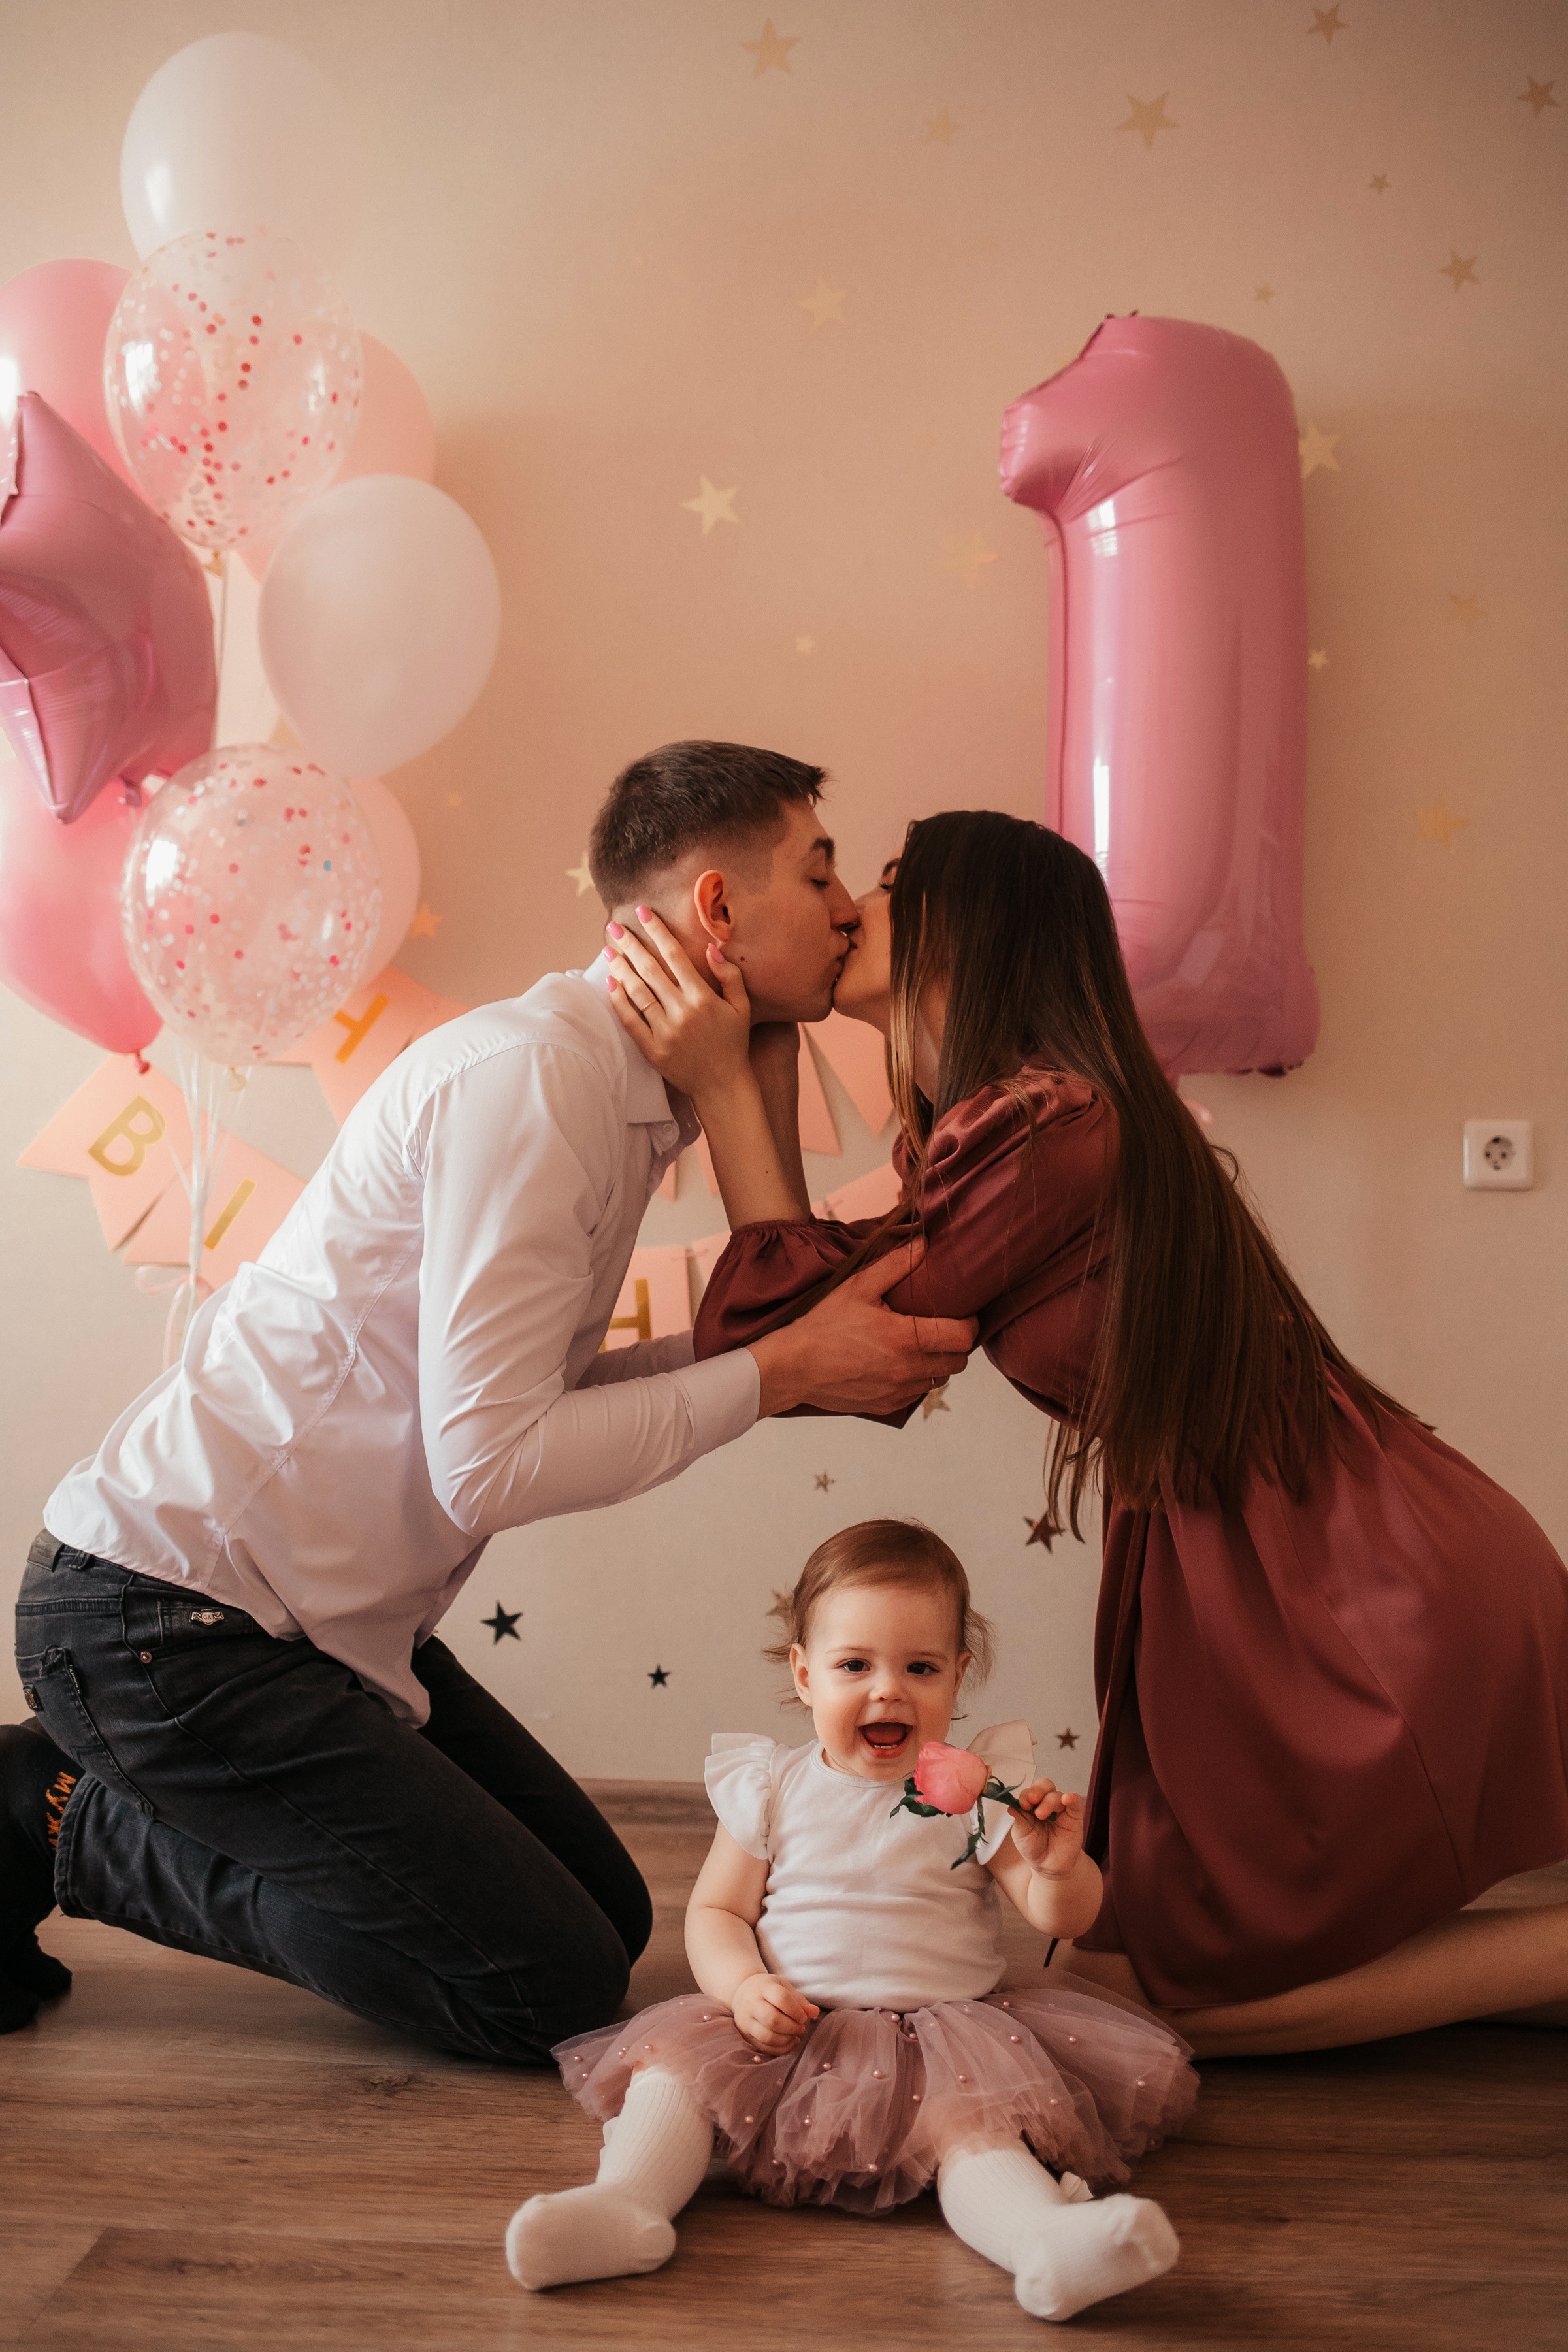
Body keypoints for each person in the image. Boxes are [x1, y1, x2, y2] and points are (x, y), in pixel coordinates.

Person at [1, 742, 977, 2048]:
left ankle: (103, 1792)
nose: (851, 905)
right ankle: (57, 1819)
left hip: (316, 1627)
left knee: (609, 1916)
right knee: (542, 1987)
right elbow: (491, 1466)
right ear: (718, 913)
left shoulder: (620, 1094)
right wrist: (770, 1373)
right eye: (821, 870)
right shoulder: (542, 1080)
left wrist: (766, 1353)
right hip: (165, 1623)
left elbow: (541, 1402)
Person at [602, 808, 1568, 2056]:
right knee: (1092, 1959)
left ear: (972, 923)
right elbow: (821, 1332)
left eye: (889, 886)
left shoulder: (1050, 1129)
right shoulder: (1001, 1128)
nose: (849, 910)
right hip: (1273, 1539)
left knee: (1151, 2002)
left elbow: (825, 1339)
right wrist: (763, 1058)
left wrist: (730, 1077)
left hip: (1332, 1564)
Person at [507, 1519, 1195, 2323]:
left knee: (975, 2134)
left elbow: (1061, 1917)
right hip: (789, 2022)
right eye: (854, 1665)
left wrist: (1058, 1867)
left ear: (958, 1676)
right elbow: (718, 1910)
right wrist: (744, 1985)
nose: (888, 1689)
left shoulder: (975, 1791)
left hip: (946, 2033)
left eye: (921, 1667)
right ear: (805, 1675)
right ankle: (624, 2204)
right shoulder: (772, 1785)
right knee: (676, 2078)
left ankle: (1041, 2239)